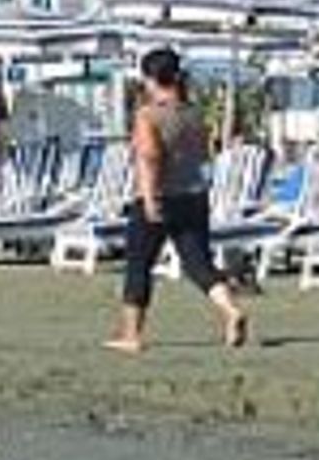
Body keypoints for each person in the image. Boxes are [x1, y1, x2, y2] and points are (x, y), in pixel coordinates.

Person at [106, 46, 248, 355]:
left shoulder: (149, 115)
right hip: (194, 195)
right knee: (198, 263)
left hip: (160, 196)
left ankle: (132, 335)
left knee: (139, 265)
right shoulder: (193, 112)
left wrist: (149, 199)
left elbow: (149, 158)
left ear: (149, 78)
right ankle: (230, 310)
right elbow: (204, 153)